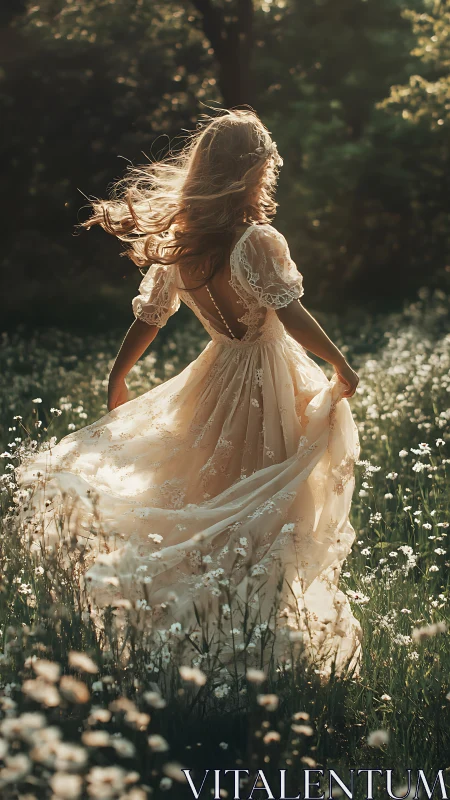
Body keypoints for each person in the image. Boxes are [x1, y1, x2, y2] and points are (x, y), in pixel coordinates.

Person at [19, 109, 362, 678]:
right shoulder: (257, 241)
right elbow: (290, 313)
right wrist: (338, 361)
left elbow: (150, 318)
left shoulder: (182, 245)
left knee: (217, 498)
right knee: (271, 508)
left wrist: (118, 376)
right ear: (252, 173)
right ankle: (255, 642)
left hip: (216, 378)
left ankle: (217, 633)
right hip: (270, 379)